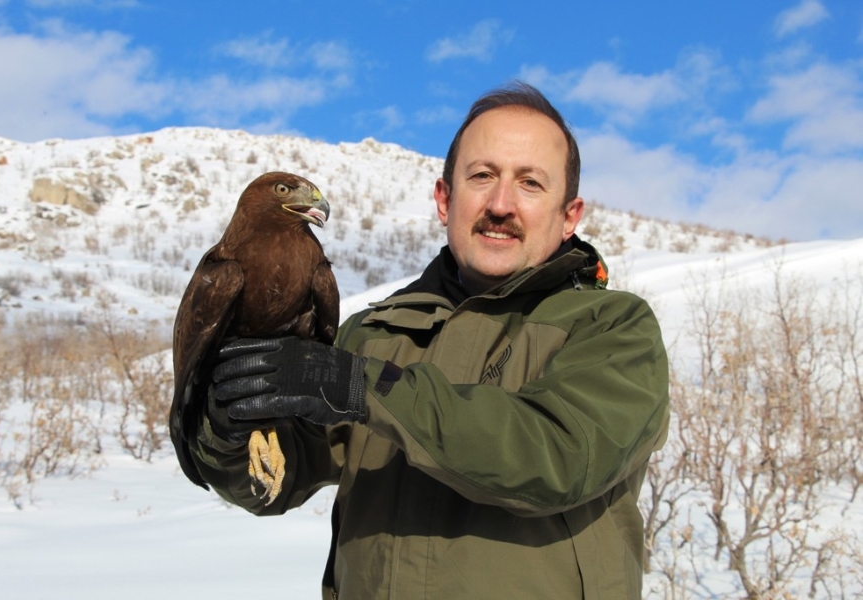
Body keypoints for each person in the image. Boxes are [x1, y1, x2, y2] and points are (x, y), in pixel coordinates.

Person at [186, 81, 670, 599]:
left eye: (530, 183)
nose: (501, 204)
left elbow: (557, 458)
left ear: (569, 216)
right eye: (482, 176)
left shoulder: (615, 328)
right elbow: (280, 475)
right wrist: (225, 433)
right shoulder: (372, 335)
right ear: (445, 200)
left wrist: (365, 387)